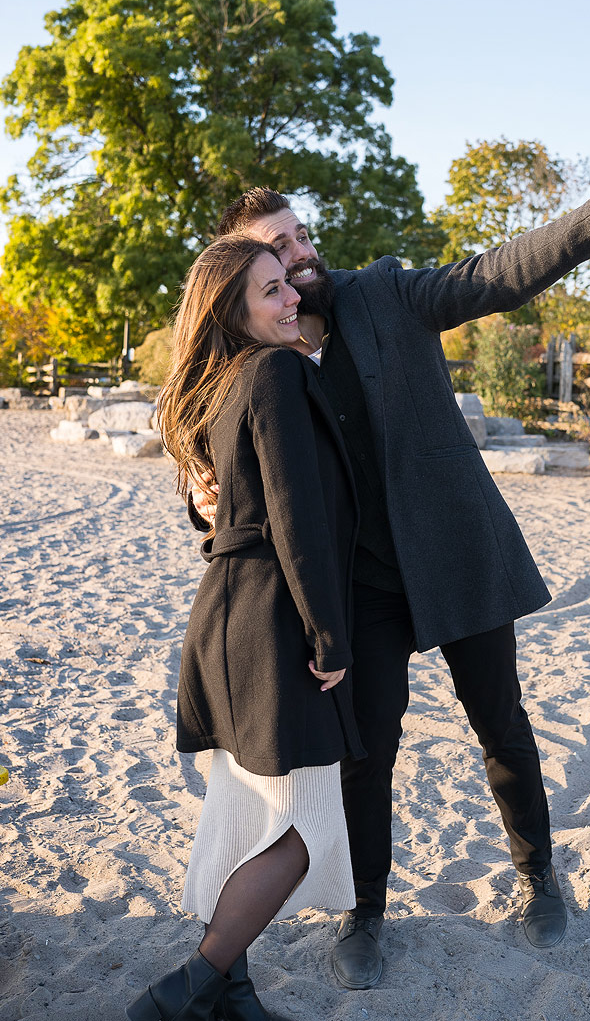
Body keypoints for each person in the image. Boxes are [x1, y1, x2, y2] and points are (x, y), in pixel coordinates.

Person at [190, 164, 590, 989]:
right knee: (366, 757)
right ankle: (363, 912)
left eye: (302, 235)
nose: (301, 253)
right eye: (278, 247)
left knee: (502, 726)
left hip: (454, 554)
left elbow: (499, 274)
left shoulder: (385, 295)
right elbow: (221, 465)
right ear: (245, 272)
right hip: (356, 589)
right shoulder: (255, 352)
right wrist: (201, 504)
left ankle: (538, 879)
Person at [127, 236, 365, 1021]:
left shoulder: (224, 381)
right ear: (233, 311)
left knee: (245, 812)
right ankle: (188, 987)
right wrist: (327, 636)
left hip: (228, 616)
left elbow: (227, 507)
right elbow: (296, 516)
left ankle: (230, 990)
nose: (290, 296)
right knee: (305, 826)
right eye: (270, 291)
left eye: (286, 284)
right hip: (273, 624)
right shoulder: (276, 370)